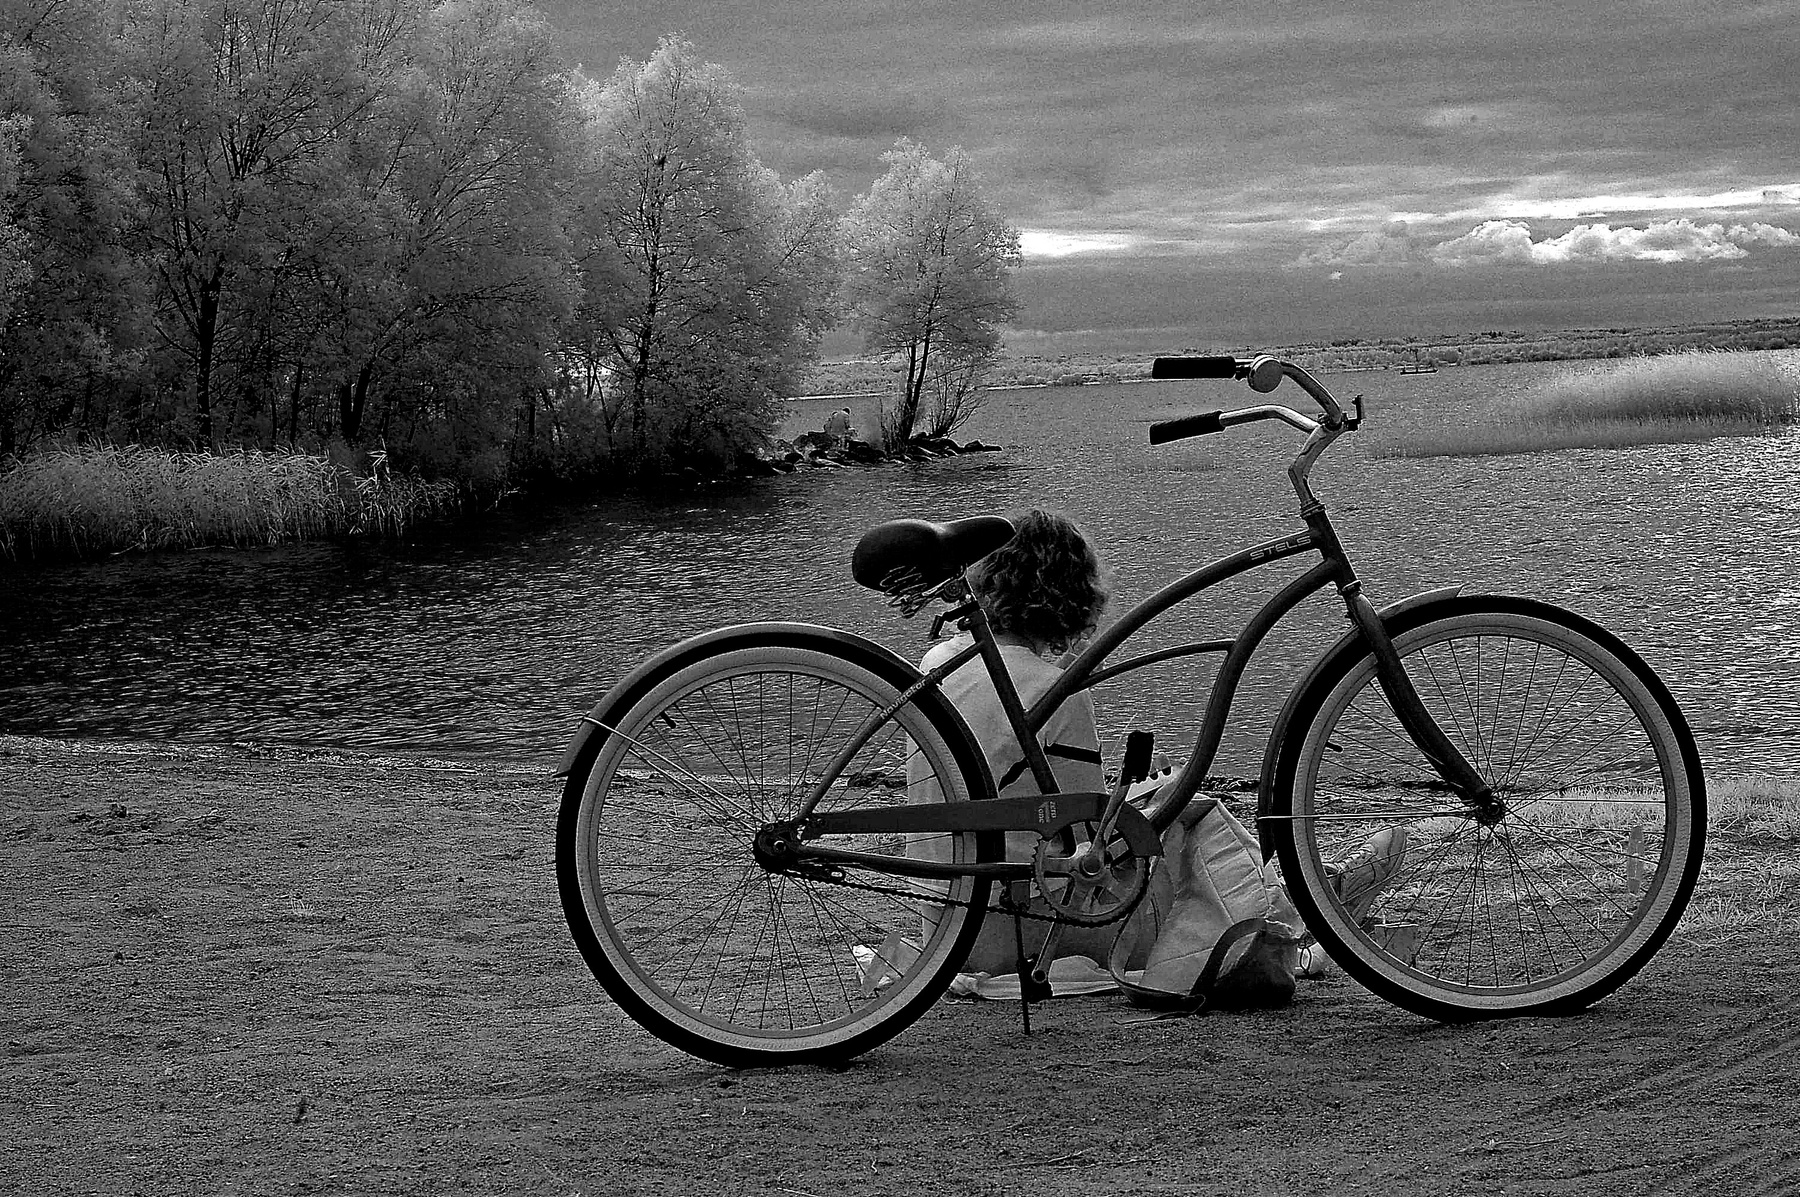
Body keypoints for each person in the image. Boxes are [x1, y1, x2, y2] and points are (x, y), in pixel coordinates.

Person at [906, 506, 1409, 984]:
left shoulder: (937, 663)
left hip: (945, 928)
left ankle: (1301, 898)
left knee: (1162, 797)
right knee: (1190, 806)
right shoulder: (1055, 691)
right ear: (1073, 596)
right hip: (1026, 930)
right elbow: (1089, 840)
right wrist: (1155, 800)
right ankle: (1311, 904)